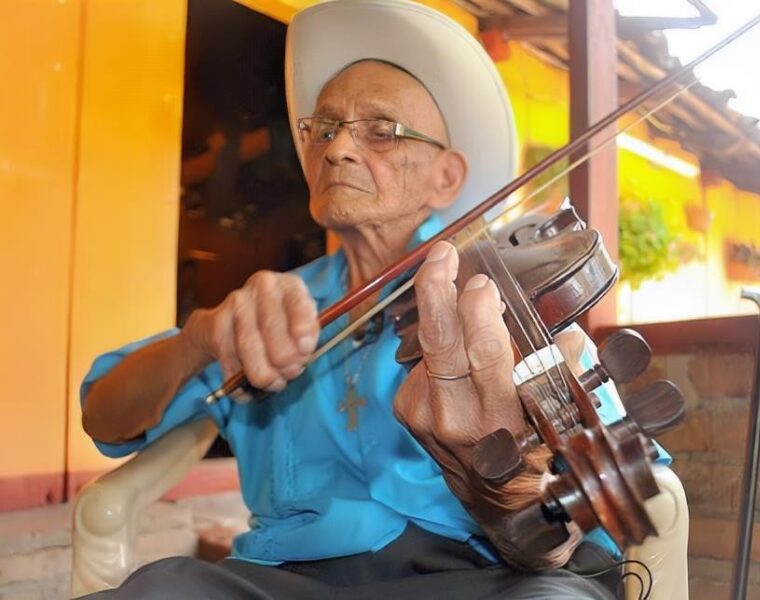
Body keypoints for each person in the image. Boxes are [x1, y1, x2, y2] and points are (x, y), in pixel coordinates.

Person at [78, 1, 635, 598]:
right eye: (324, 128)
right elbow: (104, 417)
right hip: (281, 578)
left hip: (478, 574)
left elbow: (615, 508)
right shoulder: (268, 306)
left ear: (446, 178)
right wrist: (197, 339)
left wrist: (509, 490)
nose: (337, 149)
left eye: (381, 130)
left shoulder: (502, 296)